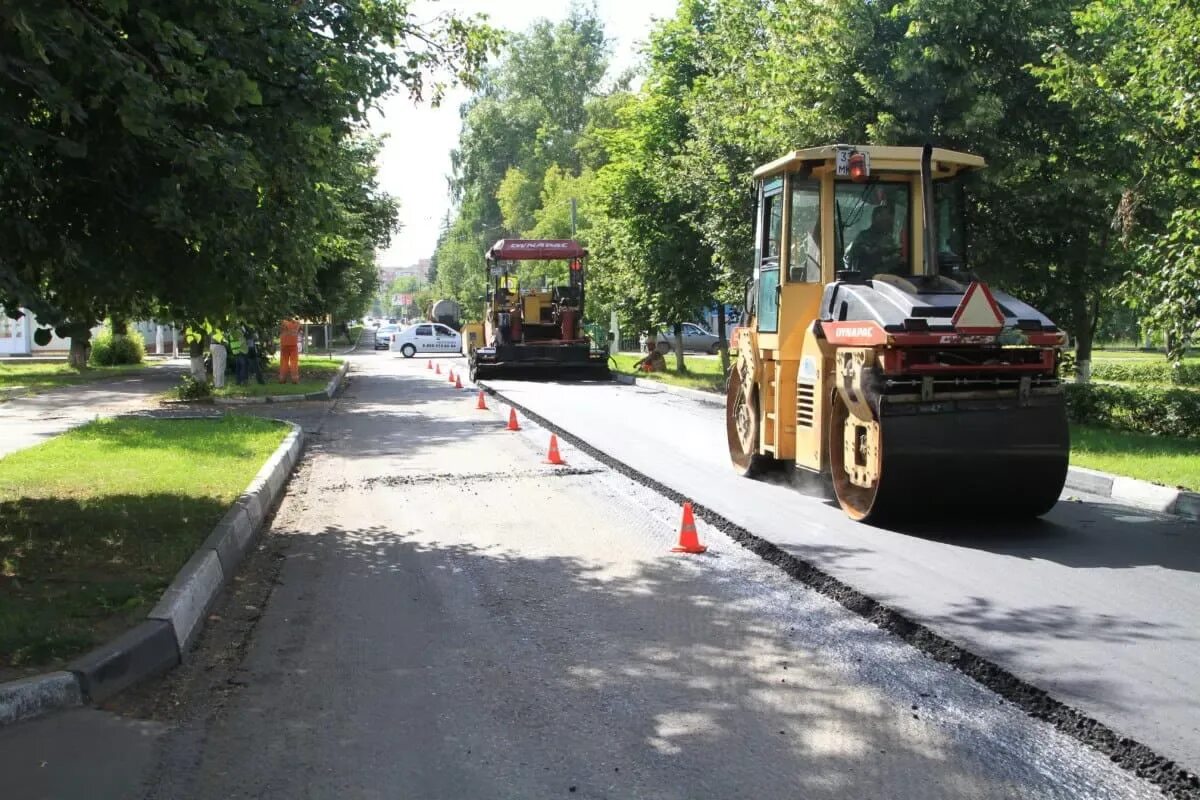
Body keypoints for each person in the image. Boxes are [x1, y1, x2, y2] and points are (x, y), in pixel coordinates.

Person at [844, 204, 902, 277]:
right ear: (875, 219)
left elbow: (895, 259)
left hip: (888, 280)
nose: (890, 222)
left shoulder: (890, 239)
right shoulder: (863, 237)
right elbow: (850, 257)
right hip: (866, 281)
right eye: (885, 220)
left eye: (890, 220)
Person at [279, 317, 301, 384]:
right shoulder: (297, 324)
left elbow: (280, 330)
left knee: (284, 363)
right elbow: (299, 330)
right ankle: (295, 380)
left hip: (284, 345)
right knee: (294, 363)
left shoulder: (282, 323)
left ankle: (282, 379)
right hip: (293, 345)